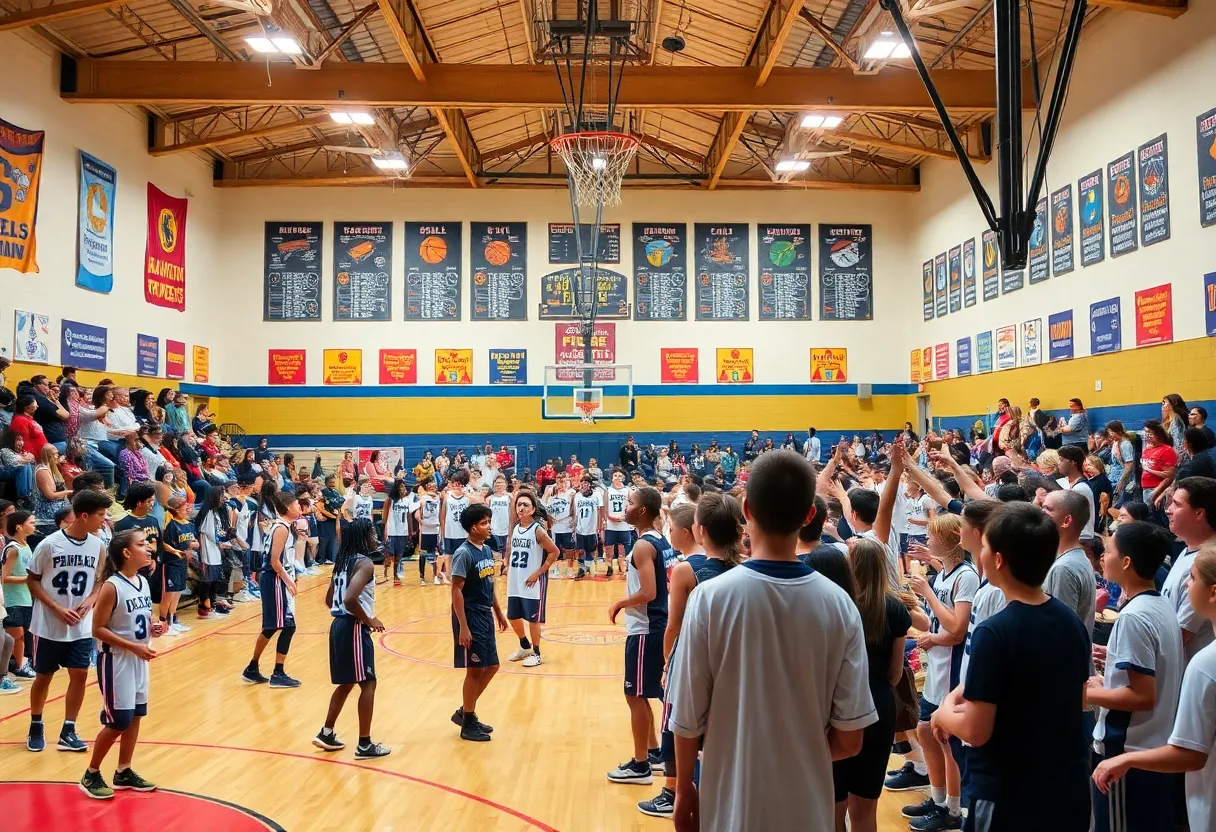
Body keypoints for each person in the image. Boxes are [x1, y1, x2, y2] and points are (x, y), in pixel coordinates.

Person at [666, 452, 875, 831]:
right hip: (807, 810)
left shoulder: (709, 599)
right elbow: (850, 739)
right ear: (809, 515)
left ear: (746, 509)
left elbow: (686, 717)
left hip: (729, 807)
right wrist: (795, 757)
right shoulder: (841, 605)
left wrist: (683, 788)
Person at [929, 502, 1091, 830]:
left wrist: (943, 713)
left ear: (998, 559)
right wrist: (964, 691)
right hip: (1066, 786)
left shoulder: (995, 631)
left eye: (985, 546)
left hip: (1009, 794)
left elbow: (976, 731)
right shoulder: (1070, 621)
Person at [1092, 542, 1216, 832]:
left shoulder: (1205, 664)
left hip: (1140, 752)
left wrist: (1125, 759)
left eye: (1193, 577)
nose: (1186, 584)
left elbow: (1192, 754)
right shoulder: (1161, 606)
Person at [639, 493, 742, 819]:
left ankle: (674, 791)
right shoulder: (742, 567)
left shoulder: (686, 570)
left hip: (692, 660)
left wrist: (667, 663)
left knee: (678, 726)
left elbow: (674, 626)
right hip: (728, 661)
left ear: (699, 531)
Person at [1085, 521, 1184, 830]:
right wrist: (1108, 674)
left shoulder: (1133, 617)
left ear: (1126, 561)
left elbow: (1142, 696)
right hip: (1153, 746)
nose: (1103, 556)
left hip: (1128, 751)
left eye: (1109, 551)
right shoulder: (1159, 604)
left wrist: (1086, 693)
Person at [903, 514, 978, 831]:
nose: (927, 540)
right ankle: (938, 799)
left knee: (944, 739)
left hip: (953, 670)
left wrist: (928, 594)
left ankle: (952, 808)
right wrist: (932, 564)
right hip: (937, 667)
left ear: (949, 540)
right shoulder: (946, 571)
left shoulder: (967, 576)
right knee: (926, 732)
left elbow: (957, 629)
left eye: (932, 536)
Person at [78, 528, 164, 799]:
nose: (148, 547)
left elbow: (140, 618)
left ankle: (123, 770)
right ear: (127, 552)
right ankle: (91, 773)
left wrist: (154, 626)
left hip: (139, 658)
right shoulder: (111, 586)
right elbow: (97, 629)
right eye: (142, 544)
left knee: (136, 715)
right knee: (119, 721)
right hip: (116, 661)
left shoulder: (142, 581)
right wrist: (132, 646)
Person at [25, 489, 114, 753]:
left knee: (80, 674)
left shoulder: (98, 546)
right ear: (84, 515)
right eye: (101, 515)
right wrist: (56, 608)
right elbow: (32, 581)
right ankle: (36, 723)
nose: (105, 519)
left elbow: (99, 580)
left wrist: (91, 600)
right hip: (48, 624)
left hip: (81, 624)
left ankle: (68, 729)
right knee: (43, 677)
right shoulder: (49, 544)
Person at [607, 485, 672, 785]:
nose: (625, 506)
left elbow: (649, 592)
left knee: (634, 695)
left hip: (646, 628)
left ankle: (640, 765)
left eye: (630, 502)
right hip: (656, 625)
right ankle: (654, 752)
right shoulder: (660, 539)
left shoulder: (645, 546)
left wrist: (620, 603)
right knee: (642, 694)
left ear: (642, 510)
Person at [312, 518, 389, 759]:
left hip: (338, 626)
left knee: (347, 683)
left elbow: (330, 599)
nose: (375, 538)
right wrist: (369, 619)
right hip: (353, 626)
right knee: (368, 682)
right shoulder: (364, 563)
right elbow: (348, 599)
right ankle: (364, 744)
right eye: (372, 534)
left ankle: (326, 733)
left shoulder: (343, 561)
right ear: (363, 537)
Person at [450, 504, 507, 742]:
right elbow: (456, 590)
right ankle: (467, 722)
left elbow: (489, 584)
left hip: (485, 614)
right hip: (470, 616)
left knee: (492, 665)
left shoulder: (486, 550)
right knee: (474, 670)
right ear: (473, 528)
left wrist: (498, 611)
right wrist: (463, 627)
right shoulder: (463, 554)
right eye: (485, 523)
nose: (489, 526)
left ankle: (465, 711)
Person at [241, 490, 301, 688]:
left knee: (276, 626)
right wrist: (288, 581)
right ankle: (277, 673)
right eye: (297, 504)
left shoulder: (282, 526)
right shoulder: (281, 528)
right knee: (284, 625)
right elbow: (274, 561)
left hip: (275, 578)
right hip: (274, 578)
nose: (299, 507)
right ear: (288, 507)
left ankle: (253, 668)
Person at [1162, 477, 1216, 664]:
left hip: (1190, 674)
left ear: (1199, 513)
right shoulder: (1189, 550)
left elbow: (1179, 636)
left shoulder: (1206, 564)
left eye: (1177, 504)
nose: (1168, 510)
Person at [504, 491, 558, 669]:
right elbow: (511, 549)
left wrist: (539, 572)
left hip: (533, 581)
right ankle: (524, 646)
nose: (521, 508)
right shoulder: (515, 527)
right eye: (519, 504)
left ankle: (537, 654)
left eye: (525, 505)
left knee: (533, 620)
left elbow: (554, 551)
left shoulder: (537, 530)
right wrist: (506, 563)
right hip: (516, 579)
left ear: (533, 509)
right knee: (512, 616)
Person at [1041, 490, 1097, 651]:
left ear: (1066, 521)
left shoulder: (1064, 568)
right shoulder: (1073, 559)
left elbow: (1060, 630)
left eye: (1048, 509)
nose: (1041, 512)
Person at [3, 510, 37, 681]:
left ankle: (20, 665)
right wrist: (28, 579)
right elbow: (4, 578)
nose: (34, 525)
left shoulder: (26, 546)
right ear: (19, 526)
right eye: (31, 522)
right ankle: (15, 667)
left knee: (22, 635)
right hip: (12, 600)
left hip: (25, 598)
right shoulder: (13, 549)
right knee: (16, 636)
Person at [158, 496, 196, 634]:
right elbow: (164, 542)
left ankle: (173, 620)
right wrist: (176, 551)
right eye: (185, 507)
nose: (187, 509)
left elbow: (193, 542)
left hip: (182, 563)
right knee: (169, 593)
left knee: (178, 592)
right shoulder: (170, 524)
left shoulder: (189, 525)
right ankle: (163, 621)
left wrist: (193, 547)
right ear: (177, 509)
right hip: (170, 562)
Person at [1055, 445, 1097, 543]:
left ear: (1072, 463)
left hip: (1081, 538)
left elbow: (1076, 518)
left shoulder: (1080, 488)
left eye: (1061, 460)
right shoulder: (1069, 483)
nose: (1059, 464)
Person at [440, 469, 473, 585]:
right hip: (450, 531)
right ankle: (449, 575)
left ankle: (463, 574)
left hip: (463, 532)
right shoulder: (447, 497)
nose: (456, 485)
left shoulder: (467, 498)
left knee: (464, 554)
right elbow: (442, 517)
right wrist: (442, 533)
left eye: (459, 483)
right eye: (455, 482)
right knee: (449, 555)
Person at [1140, 419, 1178, 514]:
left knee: (1159, 517)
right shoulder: (1147, 450)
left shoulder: (1166, 450)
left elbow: (1170, 475)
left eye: (1149, 432)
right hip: (1146, 489)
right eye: (1145, 432)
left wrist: (1157, 491)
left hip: (1157, 489)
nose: (1146, 435)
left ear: (1158, 434)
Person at [545, 473, 577, 579]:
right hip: (555, 527)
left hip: (567, 526)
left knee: (569, 549)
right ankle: (556, 569)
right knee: (555, 550)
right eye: (559, 482)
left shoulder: (571, 493)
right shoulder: (552, 495)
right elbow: (546, 508)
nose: (561, 484)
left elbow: (574, 510)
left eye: (563, 482)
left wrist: (574, 521)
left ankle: (569, 570)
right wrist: (550, 518)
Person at [383, 479, 413, 587]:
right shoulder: (390, 499)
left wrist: (410, 530)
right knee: (390, 554)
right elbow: (384, 516)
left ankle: (396, 575)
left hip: (403, 531)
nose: (404, 488)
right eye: (401, 486)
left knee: (399, 555)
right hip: (392, 531)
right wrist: (384, 530)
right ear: (396, 488)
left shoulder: (407, 500)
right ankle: (386, 570)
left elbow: (409, 516)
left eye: (404, 486)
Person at [604, 468, 633, 579]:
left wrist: (626, 516)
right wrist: (606, 518)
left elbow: (633, 505)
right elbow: (604, 507)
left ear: (623, 478)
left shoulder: (628, 490)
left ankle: (622, 568)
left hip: (623, 524)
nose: (617, 477)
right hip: (610, 524)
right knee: (609, 548)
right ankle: (609, 567)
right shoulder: (607, 490)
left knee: (622, 548)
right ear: (612, 478)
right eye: (615, 475)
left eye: (620, 476)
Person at [574, 475, 604, 579]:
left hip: (592, 527)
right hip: (580, 527)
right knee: (580, 549)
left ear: (590, 485)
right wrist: (574, 525)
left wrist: (600, 525)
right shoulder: (577, 496)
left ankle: (591, 567)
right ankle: (581, 568)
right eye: (581, 484)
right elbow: (576, 512)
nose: (583, 486)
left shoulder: (597, 494)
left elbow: (600, 510)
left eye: (585, 484)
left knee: (591, 549)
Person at [418, 480, 442, 586]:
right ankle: (422, 577)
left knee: (435, 554)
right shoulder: (423, 498)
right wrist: (421, 521)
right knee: (423, 554)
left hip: (435, 530)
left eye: (434, 487)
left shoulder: (439, 498)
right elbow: (417, 512)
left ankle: (435, 576)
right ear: (427, 488)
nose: (433, 488)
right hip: (425, 530)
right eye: (430, 486)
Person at [486, 475, 511, 571]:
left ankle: (504, 569)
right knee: (493, 550)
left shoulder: (509, 497)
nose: (499, 485)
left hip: (506, 528)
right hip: (494, 529)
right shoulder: (489, 499)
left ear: (505, 484)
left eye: (501, 483)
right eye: (497, 483)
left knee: (506, 549)